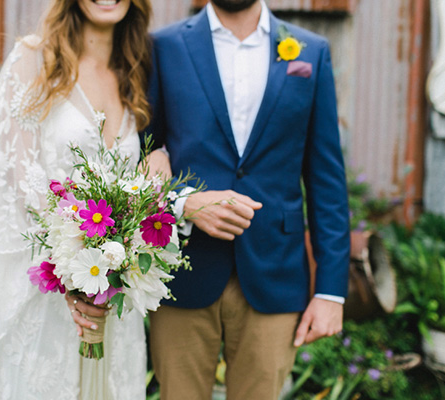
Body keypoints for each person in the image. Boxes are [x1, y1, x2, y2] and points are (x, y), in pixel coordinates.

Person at [146, 0, 350, 399]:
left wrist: (330, 292)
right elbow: (140, 151)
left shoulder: (311, 51)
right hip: (182, 270)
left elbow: (326, 178)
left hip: (276, 271)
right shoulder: (163, 47)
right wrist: (184, 203)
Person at [0, 0, 154, 398]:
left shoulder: (133, 70)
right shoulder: (34, 59)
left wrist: (112, 268)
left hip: (112, 297)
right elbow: (15, 180)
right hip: (46, 291)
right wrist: (73, 275)